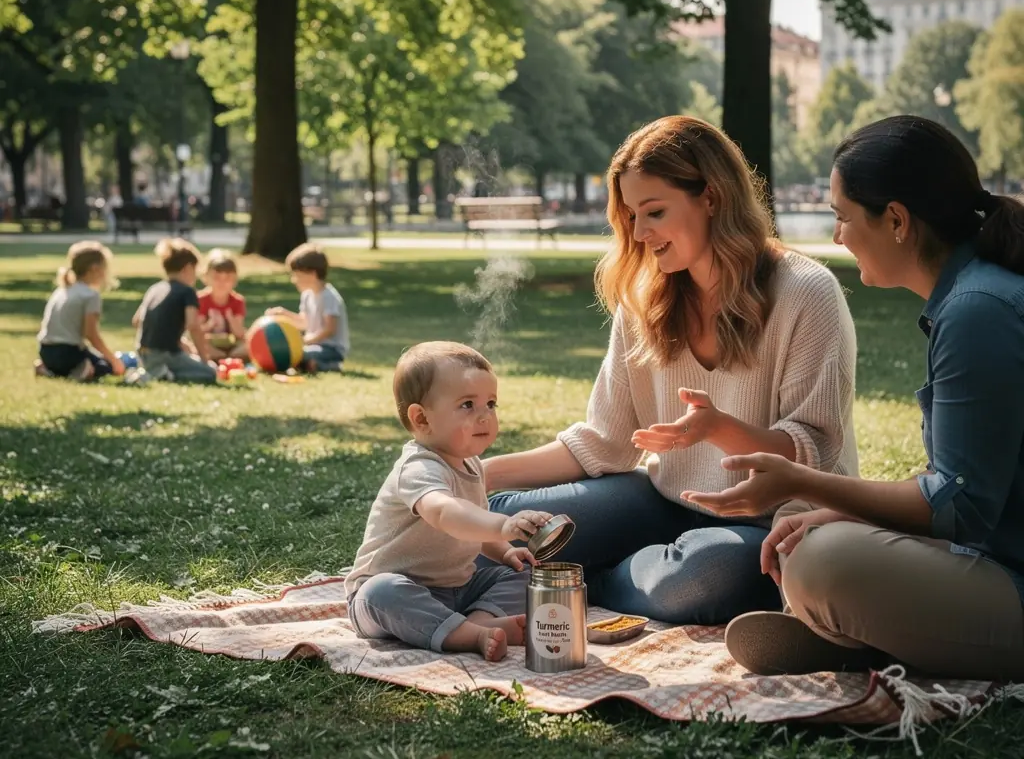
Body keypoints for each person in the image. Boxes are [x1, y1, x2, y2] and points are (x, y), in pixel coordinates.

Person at [484, 116, 858, 624]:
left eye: (654, 211)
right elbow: (604, 441)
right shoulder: (644, 299)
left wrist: (719, 429)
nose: (639, 234)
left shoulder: (804, 293)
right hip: (659, 503)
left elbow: (815, 451)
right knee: (496, 518)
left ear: (712, 196)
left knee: (698, 578)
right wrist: (472, 473)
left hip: (766, 521)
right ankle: (574, 569)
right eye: (631, 217)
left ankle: (574, 581)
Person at [689, 116, 1024, 680]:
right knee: (813, 537)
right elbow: (961, 481)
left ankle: (863, 640)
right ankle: (871, 634)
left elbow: (958, 509)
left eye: (842, 216)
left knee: (822, 563)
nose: (837, 236)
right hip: (995, 556)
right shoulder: (975, 298)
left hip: (1008, 573)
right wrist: (830, 509)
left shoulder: (978, 311)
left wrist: (800, 483)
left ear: (896, 220)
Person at [346, 342, 551, 661]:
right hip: (395, 593)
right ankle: (469, 635)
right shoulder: (418, 468)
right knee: (380, 592)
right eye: (468, 405)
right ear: (422, 419)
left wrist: (506, 551)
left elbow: (474, 528)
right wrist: (504, 525)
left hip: (457, 589)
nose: (485, 416)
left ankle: (479, 625)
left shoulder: (472, 465)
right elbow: (446, 513)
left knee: (525, 572)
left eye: (491, 404)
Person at [35, 241, 126, 381]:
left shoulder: (62, 290)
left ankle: (47, 369)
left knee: (93, 359)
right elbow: (91, 335)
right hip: (68, 353)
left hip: (45, 351)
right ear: (95, 269)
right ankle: (83, 370)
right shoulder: (90, 295)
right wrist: (114, 360)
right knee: (107, 367)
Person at [133, 238, 217, 384]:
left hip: (142, 353)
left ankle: (152, 371)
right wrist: (205, 360)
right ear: (188, 268)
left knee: (185, 361)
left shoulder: (155, 289)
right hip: (165, 354)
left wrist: (177, 340)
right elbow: (193, 326)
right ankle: (164, 374)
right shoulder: (187, 292)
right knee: (210, 374)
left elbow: (136, 321)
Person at [267, 243, 349, 372]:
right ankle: (313, 364)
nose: (294, 280)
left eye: (297, 275)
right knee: (293, 355)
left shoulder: (329, 296)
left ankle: (331, 365)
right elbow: (303, 323)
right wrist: (283, 314)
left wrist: (305, 341)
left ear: (312, 273)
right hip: (313, 346)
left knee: (296, 355)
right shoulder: (307, 295)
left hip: (331, 349)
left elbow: (329, 329)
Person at [197, 248, 248, 360]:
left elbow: (239, 333)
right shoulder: (201, 299)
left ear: (234, 280)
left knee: (249, 344)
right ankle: (223, 356)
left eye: (227, 278)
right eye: (217, 278)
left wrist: (230, 317)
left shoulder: (237, 301)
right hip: (209, 342)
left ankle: (229, 356)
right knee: (198, 344)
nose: (222, 283)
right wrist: (210, 324)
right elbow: (197, 330)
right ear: (206, 277)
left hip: (231, 342)